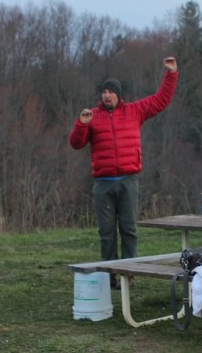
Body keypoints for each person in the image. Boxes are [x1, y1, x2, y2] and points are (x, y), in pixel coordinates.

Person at [69, 56, 178, 265]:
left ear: (118, 95)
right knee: (106, 233)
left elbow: (161, 100)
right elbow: (76, 143)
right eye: (104, 92)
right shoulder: (91, 116)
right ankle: (109, 274)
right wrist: (81, 124)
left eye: (110, 92)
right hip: (103, 183)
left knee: (128, 229)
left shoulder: (134, 111)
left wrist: (171, 74)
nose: (107, 95)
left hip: (128, 180)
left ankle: (129, 273)